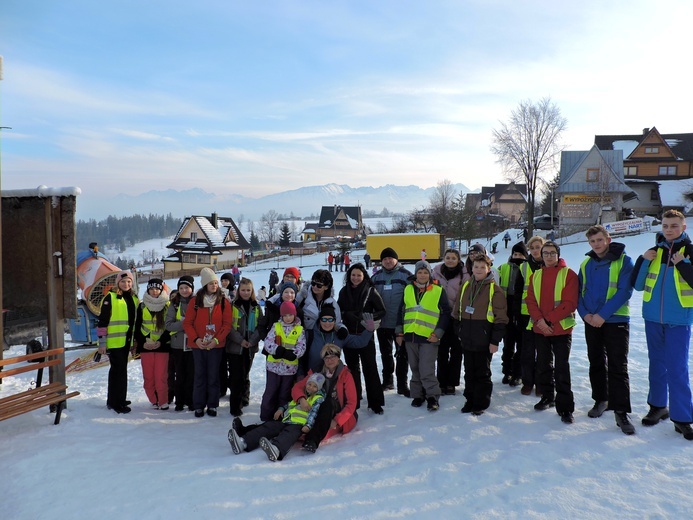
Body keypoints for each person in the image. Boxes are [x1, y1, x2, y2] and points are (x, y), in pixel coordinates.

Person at [632, 210, 693, 440]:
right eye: (666, 226)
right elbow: (637, 285)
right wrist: (642, 260)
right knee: (656, 365)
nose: (669, 230)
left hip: (679, 320)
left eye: (674, 226)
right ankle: (658, 407)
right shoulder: (654, 252)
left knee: (677, 368)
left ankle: (683, 417)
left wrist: (683, 266)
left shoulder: (690, 252)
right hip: (652, 319)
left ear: (683, 228)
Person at [578, 225, 635, 435]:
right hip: (591, 321)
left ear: (608, 239)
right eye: (592, 242)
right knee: (596, 362)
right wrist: (585, 315)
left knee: (618, 366)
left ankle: (621, 411)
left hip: (615, 320)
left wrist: (603, 315)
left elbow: (624, 291)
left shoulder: (624, 261)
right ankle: (600, 399)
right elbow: (579, 293)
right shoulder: (586, 264)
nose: (596, 245)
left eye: (600, 240)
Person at [526, 241, 578, 424]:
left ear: (558, 254)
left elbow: (570, 303)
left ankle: (565, 407)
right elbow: (530, 300)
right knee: (543, 365)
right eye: (545, 253)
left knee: (562, 368)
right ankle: (547, 396)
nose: (548, 256)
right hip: (541, 329)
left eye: (552, 253)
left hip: (561, 329)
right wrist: (540, 322)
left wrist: (547, 320)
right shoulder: (536, 275)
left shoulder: (569, 274)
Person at [228, 373, 326, 462]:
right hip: (286, 420)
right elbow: (289, 405)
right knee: (268, 427)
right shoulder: (301, 397)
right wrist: (280, 409)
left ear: (319, 389)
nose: (311, 388)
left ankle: (276, 449)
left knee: (288, 435)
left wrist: (308, 425)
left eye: (314, 386)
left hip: (299, 425)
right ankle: (243, 442)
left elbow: (314, 413)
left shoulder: (318, 399)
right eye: (309, 384)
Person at [454, 254, 508, 415]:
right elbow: (457, 311)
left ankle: (481, 402)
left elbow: (501, 318)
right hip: (467, 336)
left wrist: (495, 341)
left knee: (482, 372)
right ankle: (469, 399)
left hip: (484, 339)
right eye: (475, 266)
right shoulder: (466, 285)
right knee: (469, 371)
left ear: (488, 269)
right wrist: (459, 330)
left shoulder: (494, 289)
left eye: (482, 267)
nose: (478, 270)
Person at [396, 260, 450, 411]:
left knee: (426, 368)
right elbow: (401, 311)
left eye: (425, 272)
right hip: (410, 336)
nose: (422, 275)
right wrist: (399, 333)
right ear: (415, 274)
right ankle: (417, 395)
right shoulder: (408, 289)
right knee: (414, 368)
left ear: (430, 274)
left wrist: (438, 334)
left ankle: (432, 396)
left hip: (429, 337)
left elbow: (446, 314)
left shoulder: (438, 290)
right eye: (419, 272)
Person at [183, 267, 233, 418]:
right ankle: (199, 405)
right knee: (199, 375)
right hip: (198, 345)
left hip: (216, 345)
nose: (214, 286)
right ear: (205, 284)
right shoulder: (195, 301)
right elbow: (187, 323)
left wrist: (217, 340)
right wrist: (196, 339)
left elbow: (227, 324)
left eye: (216, 283)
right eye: (211, 283)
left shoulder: (223, 302)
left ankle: (212, 404)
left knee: (213, 376)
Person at [292, 343, 359, 453]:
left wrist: (337, 421)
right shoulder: (317, 372)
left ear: (338, 358)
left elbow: (351, 403)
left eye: (333, 357)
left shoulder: (346, 375)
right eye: (327, 358)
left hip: (338, 413)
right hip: (317, 408)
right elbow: (297, 387)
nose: (330, 360)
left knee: (324, 419)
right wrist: (302, 399)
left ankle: (312, 441)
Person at [338, 263, 386, 414]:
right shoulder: (344, 291)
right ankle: (355, 399)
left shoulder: (370, 291)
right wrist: (346, 314)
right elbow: (339, 310)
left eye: (359, 275)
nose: (356, 278)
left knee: (370, 367)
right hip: (349, 336)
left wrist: (369, 318)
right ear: (349, 276)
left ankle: (375, 402)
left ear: (364, 276)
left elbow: (382, 311)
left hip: (365, 335)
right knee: (352, 370)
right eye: (353, 275)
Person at [372, 247, 412, 397]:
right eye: (385, 259)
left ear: (396, 259)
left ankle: (403, 384)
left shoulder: (406, 276)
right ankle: (387, 381)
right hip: (382, 324)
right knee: (385, 353)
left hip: (400, 324)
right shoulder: (376, 277)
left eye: (391, 258)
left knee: (402, 354)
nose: (388, 261)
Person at [97, 271, 139, 414]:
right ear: (117, 283)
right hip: (114, 342)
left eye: (128, 282)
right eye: (123, 282)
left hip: (126, 341)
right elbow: (102, 321)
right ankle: (115, 402)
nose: (126, 284)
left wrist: (134, 341)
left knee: (122, 371)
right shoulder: (111, 297)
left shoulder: (133, 298)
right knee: (117, 371)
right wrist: (102, 343)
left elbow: (133, 322)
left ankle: (119, 398)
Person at [260, 301, 307, 421]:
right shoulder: (276, 326)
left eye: (290, 315)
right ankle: (266, 416)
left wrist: (294, 354)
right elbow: (268, 342)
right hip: (273, 366)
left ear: (294, 315)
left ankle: (281, 416)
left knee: (284, 394)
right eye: (285, 315)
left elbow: (302, 346)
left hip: (289, 368)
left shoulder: (299, 329)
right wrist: (277, 350)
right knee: (270, 392)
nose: (288, 318)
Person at [432, 248, 469, 395]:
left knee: (456, 351)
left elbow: (466, 295)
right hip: (440, 318)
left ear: (458, 260)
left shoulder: (465, 275)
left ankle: (452, 383)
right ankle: (441, 381)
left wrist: (458, 313)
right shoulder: (436, 272)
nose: (450, 260)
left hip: (457, 317)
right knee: (441, 351)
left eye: (454, 258)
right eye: (448, 257)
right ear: (444, 258)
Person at [226, 277, 262, 416]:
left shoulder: (256, 307)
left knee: (245, 374)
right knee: (236, 376)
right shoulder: (232, 306)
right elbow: (228, 327)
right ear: (238, 291)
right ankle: (235, 406)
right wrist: (240, 341)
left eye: (248, 290)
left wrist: (252, 341)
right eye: (243, 290)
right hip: (235, 347)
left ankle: (244, 398)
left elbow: (260, 326)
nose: (246, 293)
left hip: (250, 347)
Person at [134, 278, 171, 410]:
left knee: (161, 376)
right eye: (151, 289)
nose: (154, 291)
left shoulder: (167, 305)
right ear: (148, 290)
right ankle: (153, 400)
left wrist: (160, 342)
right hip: (146, 347)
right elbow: (137, 326)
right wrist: (143, 343)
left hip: (162, 346)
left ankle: (163, 401)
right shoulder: (142, 306)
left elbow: (169, 327)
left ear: (161, 290)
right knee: (148, 377)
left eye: (157, 289)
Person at [304, 304, 373, 373]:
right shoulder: (309, 335)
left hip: (332, 378)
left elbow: (360, 342)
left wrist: (369, 330)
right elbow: (301, 357)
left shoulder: (339, 335)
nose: (327, 323)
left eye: (330, 319)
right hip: (312, 378)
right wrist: (300, 374)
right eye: (324, 319)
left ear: (334, 321)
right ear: (319, 320)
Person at [498, 242, 530, 387]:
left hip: (523, 309)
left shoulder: (528, 268)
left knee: (521, 344)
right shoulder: (504, 268)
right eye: (515, 254)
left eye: (521, 255)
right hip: (506, 308)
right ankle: (507, 371)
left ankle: (518, 373)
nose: (517, 257)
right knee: (508, 343)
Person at [165, 275, 196, 412]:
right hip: (177, 345)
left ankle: (190, 400)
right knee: (180, 374)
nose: (184, 290)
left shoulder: (197, 302)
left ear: (192, 289)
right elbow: (169, 325)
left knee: (192, 374)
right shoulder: (174, 304)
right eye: (181, 288)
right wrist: (185, 323)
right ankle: (179, 401)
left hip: (193, 344)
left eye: (187, 288)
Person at [520, 235, 545, 396]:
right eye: (532, 248)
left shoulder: (551, 264)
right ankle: (528, 382)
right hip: (526, 314)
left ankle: (542, 383)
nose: (535, 250)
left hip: (545, 314)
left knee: (544, 352)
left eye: (538, 247)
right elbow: (517, 291)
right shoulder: (523, 267)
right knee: (527, 351)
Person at [294, 269, 342, 353]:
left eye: (319, 285)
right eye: (313, 283)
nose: (315, 287)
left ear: (326, 287)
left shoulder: (332, 303)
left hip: (324, 340)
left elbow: (337, 323)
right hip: (304, 338)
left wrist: (343, 329)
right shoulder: (302, 297)